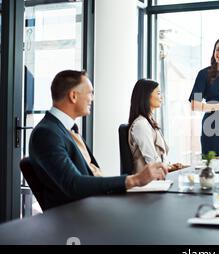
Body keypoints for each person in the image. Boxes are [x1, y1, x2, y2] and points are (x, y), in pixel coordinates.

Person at [29, 70, 168, 210]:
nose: (92, 98)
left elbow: (89, 174)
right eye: (90, 93)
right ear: (73, 96)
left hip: (95, 204)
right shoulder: (47, 133)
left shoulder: (67, 129)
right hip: (77, 214)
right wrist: (134, 179)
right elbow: (73, 184)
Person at [128, 79, 184, 173]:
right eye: (158, 93)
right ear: (146, 96)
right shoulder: (140, 125)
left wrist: (169, 166)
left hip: (156, 178)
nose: (161, 97)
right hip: (148, 183)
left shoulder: (149, 122)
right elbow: (152, 161)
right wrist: (168, 168)